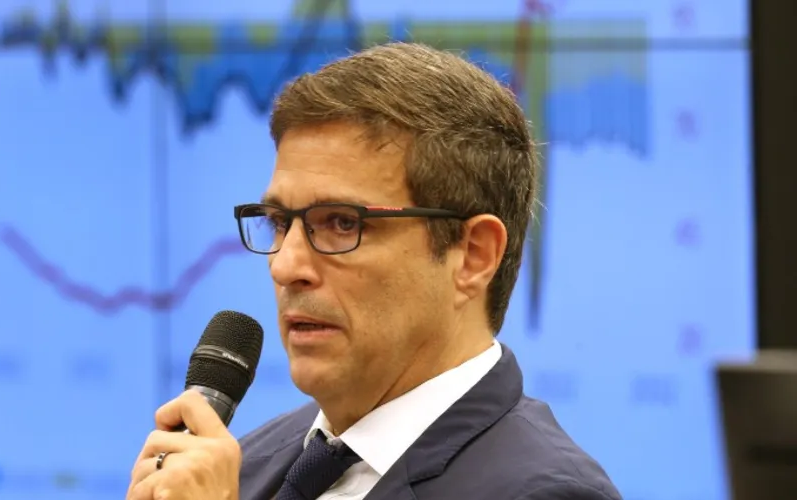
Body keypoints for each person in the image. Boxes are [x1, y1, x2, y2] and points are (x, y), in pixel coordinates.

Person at [125, 42, 622, 500]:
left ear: (473, 255)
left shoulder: (545, 491)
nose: (286, 266)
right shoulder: (248, 465)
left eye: (342, 223)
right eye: (279, 222)